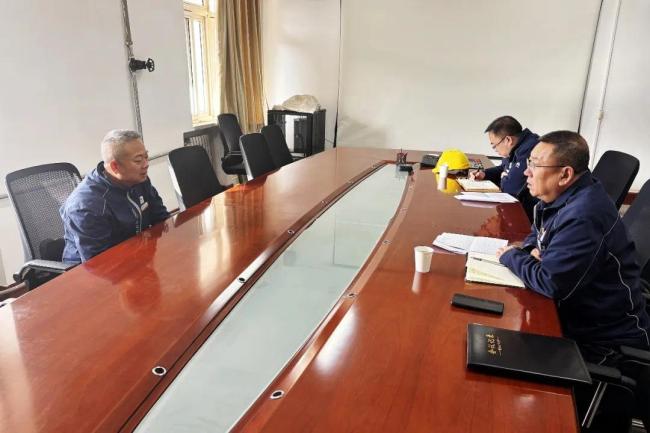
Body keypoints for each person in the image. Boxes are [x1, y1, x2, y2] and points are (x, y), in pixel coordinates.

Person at [496, 130, 650, 364]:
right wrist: (529, 251)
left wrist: (511, 256)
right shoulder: (558, 197)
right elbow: (537, 232)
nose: (527, 171)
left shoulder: (583, 215)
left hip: (603, 341)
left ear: (565, 174)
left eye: (535, 165)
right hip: (575, 315)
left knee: (500, 358)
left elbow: (550, 282)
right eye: (528, 162)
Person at [60, 129, 169, 263]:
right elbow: (99, 263)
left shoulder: (139, 179)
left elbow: (161, 219)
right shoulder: (87, 206)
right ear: (115, 167)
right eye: (138, 160)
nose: (146, 164)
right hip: (90, 270)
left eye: (146, 157)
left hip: (135, 254)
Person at [471, 116, 539, 220]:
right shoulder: (516, 147)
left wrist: (503, 179)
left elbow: (510, 190)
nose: (495, 150)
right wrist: (485, 174)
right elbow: (504, 168)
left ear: (508, 140)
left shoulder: (529, 151)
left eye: (494, 146)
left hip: (527, 216)